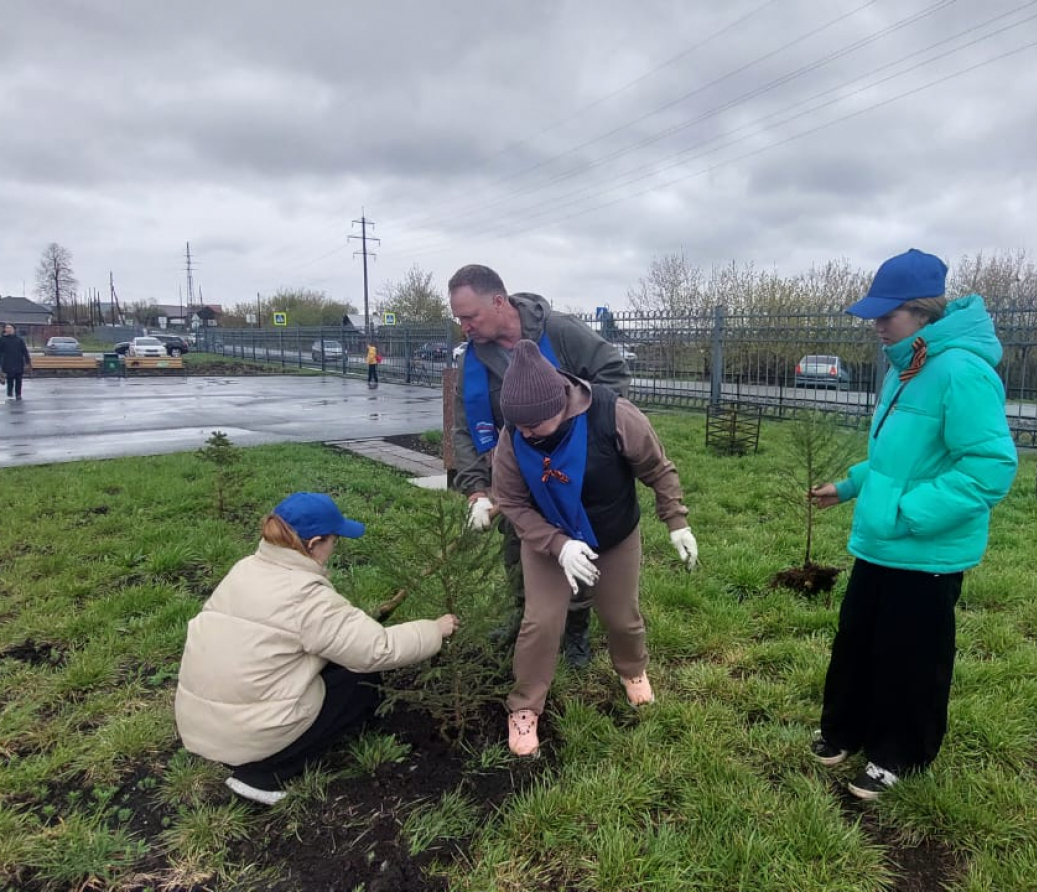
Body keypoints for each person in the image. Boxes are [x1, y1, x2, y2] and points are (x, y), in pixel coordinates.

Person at [808, 248, 1017, 800]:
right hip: (880, 542)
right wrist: (849, 486)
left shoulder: (962, 371)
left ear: (924, 312)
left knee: (912, 658)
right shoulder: (909, 367)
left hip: (926, 550)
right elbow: (897, 457)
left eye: (888, 314)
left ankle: (899, 753)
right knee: (858, 642)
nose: (877, 325)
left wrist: (909, 512)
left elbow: (990, 468)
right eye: (874, 314)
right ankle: (845, 730)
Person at [174, 492, 460, 805]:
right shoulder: (306, 596)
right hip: (248, 735)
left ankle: (256, 753)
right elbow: (378, 649)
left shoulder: (245, 569)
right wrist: (435, 629)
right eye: (334, 540)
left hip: (201, 723)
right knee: (360, 682)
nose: (335, 547)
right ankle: (265, 774)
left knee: (334, 663)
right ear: (313, 544)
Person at [490, 340, 697, 755]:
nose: (526, 434)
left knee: (621, 617)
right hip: (549, 539)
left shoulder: (613, 414)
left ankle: (633, 671)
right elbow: (510, 501)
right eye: (519, 426)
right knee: (541, 622)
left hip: (613, 533)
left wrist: (676, 521)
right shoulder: (514, 436)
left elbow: (657, 468)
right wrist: (558, 545)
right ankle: (525, 706)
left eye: (534, 426)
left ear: (560, 405)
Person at [449, 263, 631, 668]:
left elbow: (613, 373)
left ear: (499, 302)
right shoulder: (474, 359)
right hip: (516, 474)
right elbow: (465, 427)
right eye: (459, 318)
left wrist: (583, 430)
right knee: (518, 546)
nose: (464, 326)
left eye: (470, 316)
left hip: (572, 466)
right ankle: (524, 616)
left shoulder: (560, 332)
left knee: (576, 545)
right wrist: (476, 490)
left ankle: (576, 630)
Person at [1, 323, 32, 401]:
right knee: (10, 378)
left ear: (14, 329)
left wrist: (28, 362)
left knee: (19, 379)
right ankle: (9, 391)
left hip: (18, 362)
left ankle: (18, 394)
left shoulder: (19, 340)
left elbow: (24, 351)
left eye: (10, 328)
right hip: (7, 362)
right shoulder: (2, 339)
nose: (8, 329)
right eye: (7, 328)